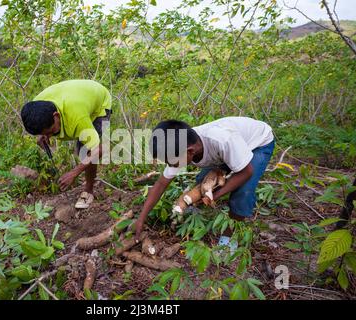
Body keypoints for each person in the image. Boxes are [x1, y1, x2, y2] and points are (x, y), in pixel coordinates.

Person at [134, 117, 275, 250]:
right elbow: (160, 185)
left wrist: (215, 195)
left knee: (243, 191)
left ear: (190, 152)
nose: (170, 165)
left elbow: (246, 172)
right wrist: (141, 219)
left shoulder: (222, 140)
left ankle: (228, 238)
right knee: (202, 182)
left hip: (258, 143)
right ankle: (199, 209)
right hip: (227, 151)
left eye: (171, 162)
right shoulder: (180, 147)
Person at [21, 79, 111, 209]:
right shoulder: (35, 108)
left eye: (51, 131)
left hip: (99, 99)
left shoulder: (76, 116)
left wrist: (74, 173)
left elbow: (100, 150)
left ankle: (89, 191)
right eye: (46, 133)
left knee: (85, 151)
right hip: (74, 94)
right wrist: (42, 135)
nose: (49, 136)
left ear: (56, 115)